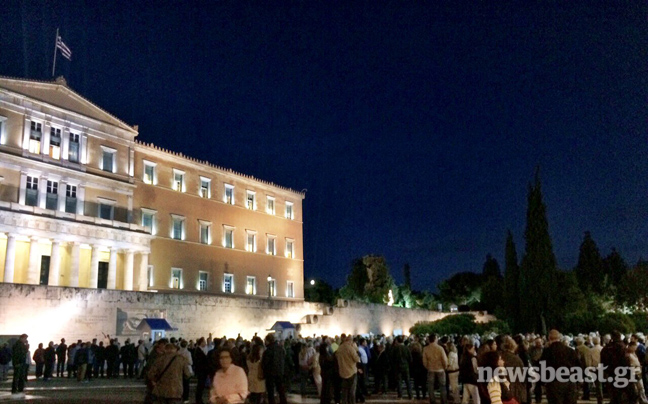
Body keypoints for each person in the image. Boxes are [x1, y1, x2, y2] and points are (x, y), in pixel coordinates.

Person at [539, 330, 579, 404]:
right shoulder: (570, 351)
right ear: (559, 338)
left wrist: (543, 382)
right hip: (569, 382)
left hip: (553, 383)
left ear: (549, 338)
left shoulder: (547, 352)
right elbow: (578, 366)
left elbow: (542, 368)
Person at [261, 333, 287, 404]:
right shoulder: (281, 349)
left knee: (270, 391)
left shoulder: (268, 351)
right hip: (280, 372)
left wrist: (264, 371)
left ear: (268, 341)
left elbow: (264, 363)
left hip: (270, 373)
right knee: (281, 390)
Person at [424, 333, 449, 404]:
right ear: (435, 339)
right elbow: (444, 359)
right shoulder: (440, 348)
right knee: (442, 386)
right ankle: (443, 400)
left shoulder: (426, 349)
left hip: (431, 369)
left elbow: (424, 360)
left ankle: (432, 401)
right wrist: (445, 367)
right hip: (440, 369)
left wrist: (427, 367)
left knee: (430, 387)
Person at [335, 334, 360, 404]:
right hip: (351, 372)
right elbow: (357, 359)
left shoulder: (339, 348)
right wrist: (356, 350)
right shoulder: (350, 348)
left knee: (344, 392)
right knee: (352, 391)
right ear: (350, 341)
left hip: (342, 372)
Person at [193, 337, 210, 404]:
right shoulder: (199, 351)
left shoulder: (200, 350)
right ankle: (198, 400)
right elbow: (200, 362)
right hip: (201, 371)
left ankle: (199, 399)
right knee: (200, 386)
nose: (205, 343)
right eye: (204, 342)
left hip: (202, 371)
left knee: (201, 386)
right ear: (201, 342)